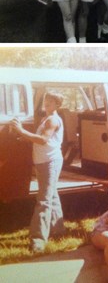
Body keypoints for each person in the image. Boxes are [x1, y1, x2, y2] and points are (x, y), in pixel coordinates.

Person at [10, 93, 65, 253]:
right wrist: (24, 137)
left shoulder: (53, 120)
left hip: (50, 162)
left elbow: (43, 140)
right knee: (51, 195)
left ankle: (38, 242)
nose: (46, 103)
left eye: (51, 101)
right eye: (45, 100)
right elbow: (38, 139)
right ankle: (58, 230)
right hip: (44, 162)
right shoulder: (46, 118)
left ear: (57, 104)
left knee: (43, 201)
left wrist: (21, 130)